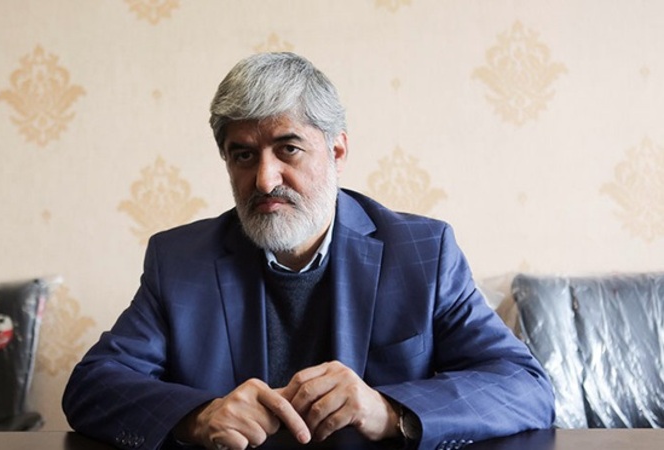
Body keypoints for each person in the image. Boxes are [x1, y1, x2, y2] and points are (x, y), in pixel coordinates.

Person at [63, 52, 554, 450]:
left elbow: (524, 386)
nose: (265, 179)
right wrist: (198, 417)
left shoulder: (421, 252)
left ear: (337, 151)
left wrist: (389, 410)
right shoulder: (179, 261)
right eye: (243, 154)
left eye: (288, 148)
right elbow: (92, 386)